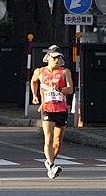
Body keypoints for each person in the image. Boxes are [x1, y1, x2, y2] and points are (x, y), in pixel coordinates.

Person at [30, 45, 73, 179]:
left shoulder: (65, 72)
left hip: (61, 109)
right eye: (54, 58)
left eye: (59, 58)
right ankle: (52, 165)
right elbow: (33, 81)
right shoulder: (40, 71)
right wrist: (35, 96)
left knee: (58, 142)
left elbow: (70, 89)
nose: (57, 60)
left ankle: (49, 164)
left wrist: (59, 89)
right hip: (47, 109)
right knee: (48, 138)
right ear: (48, 57)